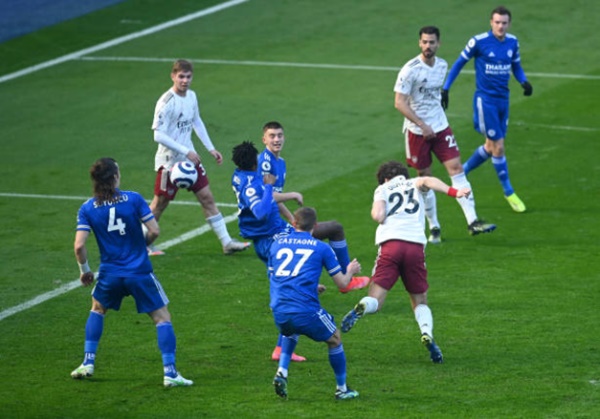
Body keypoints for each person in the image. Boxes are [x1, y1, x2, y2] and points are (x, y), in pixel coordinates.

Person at [71, 157, 192, 387]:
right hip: (139, 272)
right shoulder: (134, 199)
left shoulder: (87, 208)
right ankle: (170, 373)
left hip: (110, 274)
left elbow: (79, 246)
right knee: (162, 318)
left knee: (98, 309)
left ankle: (87, 362)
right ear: (115, 177)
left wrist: (85, 271)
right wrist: (141, 245)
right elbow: (154, 231)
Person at [341, 161, 472, 364]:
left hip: (390, 246)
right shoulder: (414, 182)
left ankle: (363, 306)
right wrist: (455, 192)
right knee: (419, 301)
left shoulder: (382, 189)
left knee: (376, 299)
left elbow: (378, 215)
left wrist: (383, 214)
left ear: (385, 178)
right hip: (414, 247)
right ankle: (426, 333)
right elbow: (429, 180)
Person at [394, 26, 495, 243]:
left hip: (440, 127)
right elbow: (399, 103)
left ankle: (473, 221)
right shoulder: (410, 70)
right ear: (419, 43)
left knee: (456, 169)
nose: (428, 46)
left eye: (432, 42)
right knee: (424, 178)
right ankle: (434, 226)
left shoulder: (442, 65)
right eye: (424, 42)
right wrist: (422, 125)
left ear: (438, 43)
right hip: (417, 132)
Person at [148, 59, 250, 255]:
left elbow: (196, 121)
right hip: (169, 163)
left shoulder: (192, 96)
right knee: (159, 204)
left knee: (207, 197)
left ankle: (227, 242)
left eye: (188, 77)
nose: (185, 81)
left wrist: (210, 148)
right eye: (181, 77)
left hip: (190, 160)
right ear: (173, 76)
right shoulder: (166, 102)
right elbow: (158, 135)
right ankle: (140, 244)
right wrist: (185, 150)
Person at [258, 120, 370, 291]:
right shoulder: (265, 162)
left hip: (278, 225)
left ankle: (312, 283)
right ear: (264, 139)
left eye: (279, 135)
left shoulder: (280, 162)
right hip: (269, 230)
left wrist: (292, 219)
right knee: (332, 230)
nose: (276, 139)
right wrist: (293, 195)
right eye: (272, 136)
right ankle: (343, 281)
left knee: (332, 229)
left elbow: (274, 198)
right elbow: (267, 196)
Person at [442, 6, 532, 213]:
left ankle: (461, 173)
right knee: (498, 146)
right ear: (491, 22)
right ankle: (509, 191)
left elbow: (516, 66)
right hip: (485, 102)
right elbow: (459, 63)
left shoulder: (513, 42)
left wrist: (524, 82)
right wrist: (446, 88)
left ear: (509, 24)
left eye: (504, 23)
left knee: (491, 147)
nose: (501, 26)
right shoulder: (479, 41)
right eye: (497, 22)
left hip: (503, 101)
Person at [270, 206, 361, 400]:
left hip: (279, 309)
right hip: (305, 310)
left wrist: (310, 285)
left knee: (290, 330)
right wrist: (351, 270)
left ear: (294, 223)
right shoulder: (321, 248)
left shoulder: (277, 244)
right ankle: (342, 389)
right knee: (335, 338)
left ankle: (282, 372)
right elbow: (342, 283)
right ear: (316, 226)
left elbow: (277, 276)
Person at [231, 140, 306, 362]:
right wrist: (270, 187)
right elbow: (261, 210)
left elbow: (267, 197)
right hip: (269, 238)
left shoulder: (239, 175)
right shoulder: (252, 184)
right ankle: (282, 349)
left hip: (276, 232)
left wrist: (288, 196)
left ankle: (304, 282)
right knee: (293, 292)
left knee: (308, 243)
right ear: (254, 162)